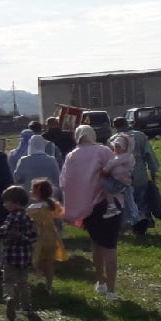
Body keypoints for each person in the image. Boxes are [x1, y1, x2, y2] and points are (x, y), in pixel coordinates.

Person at [61, 123, 121, 300]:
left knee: (96, 244)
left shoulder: (71, 156)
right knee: (110, 246)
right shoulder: (102, 151)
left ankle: (100, 282)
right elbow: (117, 171)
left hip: (88, 207)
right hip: (105, 202)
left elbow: (65, 182)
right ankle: (111, 290)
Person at [0, 185, 39, 321]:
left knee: (8, 281)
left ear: (15, 202)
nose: (4, 205)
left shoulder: (11, 217)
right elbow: (34, 237)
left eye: (6, 202)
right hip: (25, 258)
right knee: (23, 282)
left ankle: (9, 298)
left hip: (11, 256)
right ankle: (26, 306)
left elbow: (3, 232)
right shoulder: (29, 218)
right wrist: (23, 238)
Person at [111, 115, 161, 233]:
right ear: (127, 123)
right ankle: (142, 222)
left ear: (115, 127)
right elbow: (149, 154)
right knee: (141, 199)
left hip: (123, 176)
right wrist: (153, 172)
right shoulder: (140, 136)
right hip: (139, 173)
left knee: (128, 200)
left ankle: (132, 222)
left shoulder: (113, 140)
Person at [26, 178, 66, 292]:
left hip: (38, 237)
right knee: (49, 262)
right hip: (51, 236)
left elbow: (31, 221)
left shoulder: (33, 208)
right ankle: (49, 285)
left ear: (37, 191)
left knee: (37, 260)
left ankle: (40, 279)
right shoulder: (52, 204)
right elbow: (58, 213)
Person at [100, 133, 139, 223]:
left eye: (119, 147)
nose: (116, 149)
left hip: (120, 181)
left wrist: (105, 170)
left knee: (104, 187)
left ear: (124, 148)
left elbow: (112, 163)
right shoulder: (128, 156)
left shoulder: (124, 157)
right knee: (128, 201)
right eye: (115, 146)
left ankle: (112, 206)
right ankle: (133, 219)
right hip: (125, 181)